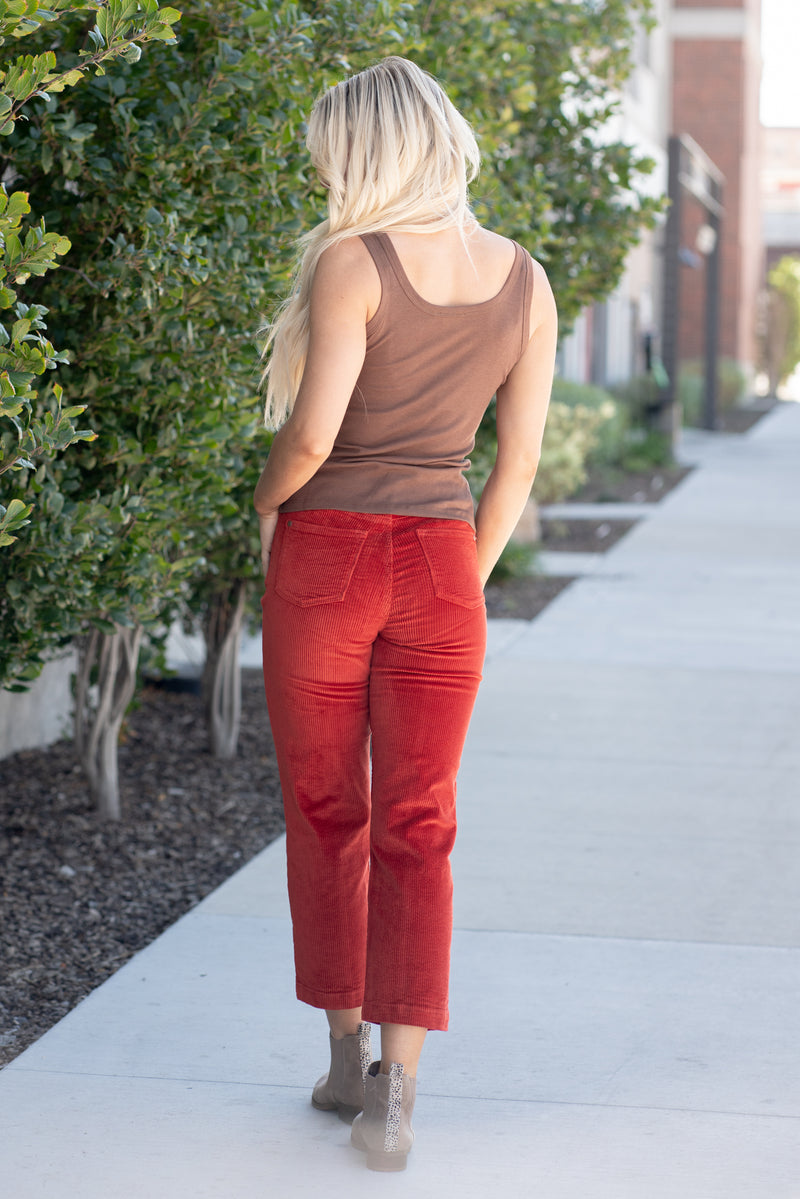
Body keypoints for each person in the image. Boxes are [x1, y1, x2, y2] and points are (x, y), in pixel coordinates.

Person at [254, 55, 556, 1172]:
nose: (323, 176)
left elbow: (312, 436)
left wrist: (265, 501)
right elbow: (514, 463)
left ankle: (344, 1059)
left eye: (330, 156)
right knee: (420, 821)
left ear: (366, 152)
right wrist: (462, 572)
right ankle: (396, 1098)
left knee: (327, 806)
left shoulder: (354, 262)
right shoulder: (526, 281)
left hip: (328, 555)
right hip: (440, 563)